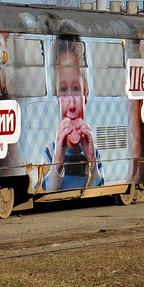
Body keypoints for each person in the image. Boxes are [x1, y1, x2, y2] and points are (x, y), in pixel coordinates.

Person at [43, 37, 103, 191]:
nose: (71, 105)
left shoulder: (94, 150)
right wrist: (57, 160)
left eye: (76, 89)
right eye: (63, 90)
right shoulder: (50, 150)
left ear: (85, 93)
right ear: (56, 97)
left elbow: (98, 188)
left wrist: (92, 161)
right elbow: (47, 190)